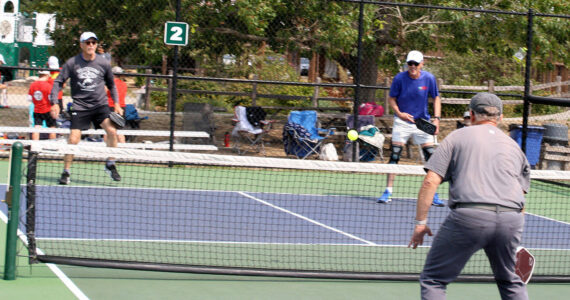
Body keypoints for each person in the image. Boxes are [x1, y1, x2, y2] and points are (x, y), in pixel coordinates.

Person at [409, 92, 530, 300]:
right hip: (511, 220)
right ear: (500, 118)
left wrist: (421, 223)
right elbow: (520, 194)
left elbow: (430, 181)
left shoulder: (457, 137)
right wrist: (511, 233)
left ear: (471, 115)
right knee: (510, 281)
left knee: (433, 280)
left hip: (469, 218)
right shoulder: (515, 147)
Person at [50, 31, 123, 185]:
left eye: (93, 42)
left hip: (100, 106)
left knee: (112, 131)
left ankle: (110, 164)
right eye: (87, 42)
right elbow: (58, 82)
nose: (91, 45)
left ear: (96, 45)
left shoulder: (103, 63)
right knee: (73, 138)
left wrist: (116, 103)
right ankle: (66, 171)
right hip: (80, 107)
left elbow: (111, 84)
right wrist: (55, 102)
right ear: (81, 44)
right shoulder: (72, 63)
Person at [377, 50, 443, 206]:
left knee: (431, 157)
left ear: (422, 63)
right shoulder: (399, 78)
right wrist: (400, 114)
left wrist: (437, 120)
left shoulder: (429, 78)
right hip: (402, 123)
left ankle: (433, 193)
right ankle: (388, 191)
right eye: (410, 63)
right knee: (395, 155)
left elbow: (436, 98)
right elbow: (392, 98)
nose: (412, 66)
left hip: (422, 123)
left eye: (415, 63)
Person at [29, 70, 57, 140]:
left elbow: (29, 98)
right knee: (52, 128)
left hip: (37, 109)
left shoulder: (33, 85)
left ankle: (35, 146)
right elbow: (51, 99)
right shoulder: (48, 86)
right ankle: (52, 144)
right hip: (48, 109)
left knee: (37, 127)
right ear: (47, 75)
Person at [105, 66, 128, 143]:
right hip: (121, 107)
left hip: (110, 106)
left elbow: (104, 93)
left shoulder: (109, 83)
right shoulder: (124, 84)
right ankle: (123, 147)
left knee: (107, 130)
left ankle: (107, 148)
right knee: (120, 130)